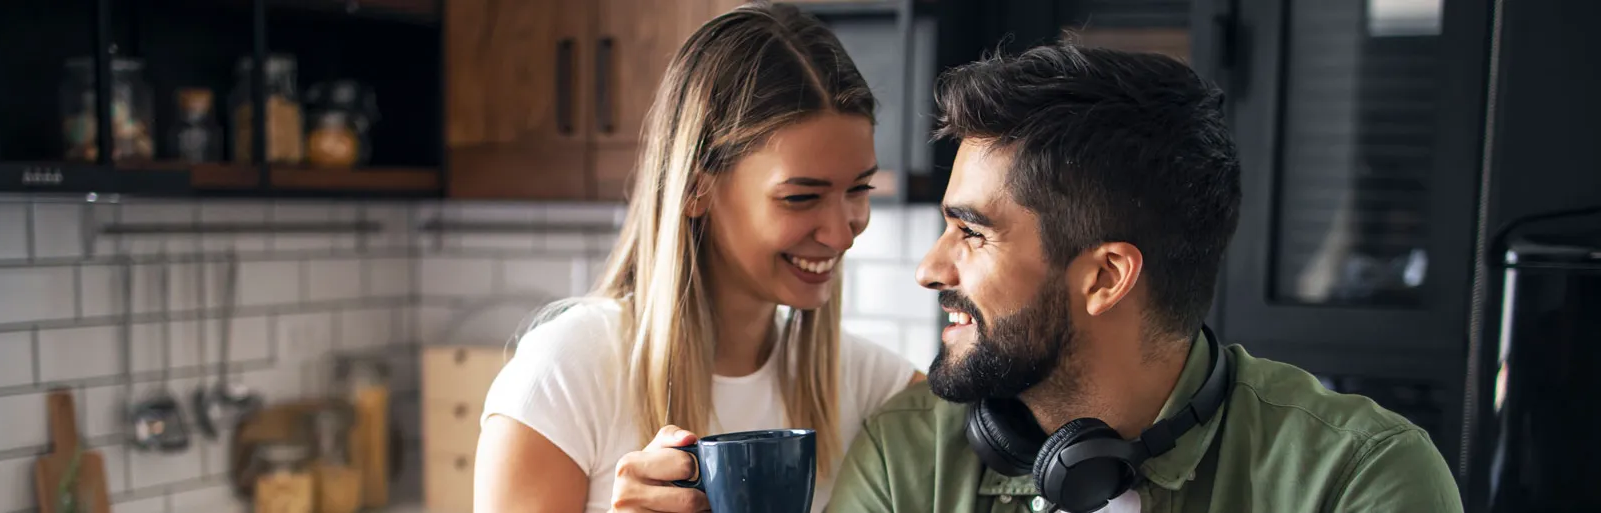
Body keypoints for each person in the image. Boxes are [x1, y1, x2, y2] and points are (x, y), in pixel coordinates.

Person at [826, 43, 1463, 512]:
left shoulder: (1360, 477)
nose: (930, 269)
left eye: (971, 233)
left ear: (1106, 277)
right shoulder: (904, 457)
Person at [472, 3, 921, 512]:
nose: (842, 233)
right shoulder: (562, 379)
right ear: (694, 189)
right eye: (801, 197)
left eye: (859, 190)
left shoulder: (868, 384)